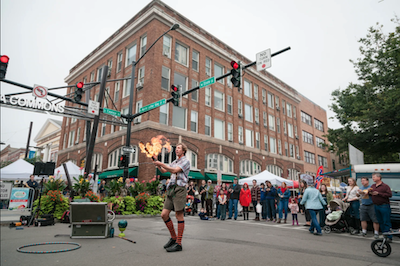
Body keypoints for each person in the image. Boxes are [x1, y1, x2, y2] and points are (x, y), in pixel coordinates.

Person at [153, 142, 190, 252]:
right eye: (176, 148)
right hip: (171, 189)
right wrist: (157, 163)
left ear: (183, 151)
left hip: (179, 189)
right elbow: (165, 171)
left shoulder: (185, 161)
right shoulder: (174, 161)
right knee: (164, 215)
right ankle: (173, 238)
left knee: (179, 215)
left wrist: (161, 163)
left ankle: (179, 243)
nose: (176, 150)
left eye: (179, 148)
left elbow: (174, 170)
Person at [369, 173, 393, 242]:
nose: (373, 178)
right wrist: (369, 192)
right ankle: (384, 235)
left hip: (384, 205)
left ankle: (389, 236)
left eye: (374, 177)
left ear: (379, 178)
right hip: (376, 205)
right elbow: (370, 194)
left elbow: (389, 195)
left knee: (386, 221)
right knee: (380, 221)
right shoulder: (373, 186)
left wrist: (379, 193)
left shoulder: (385, 186)